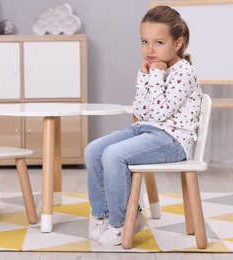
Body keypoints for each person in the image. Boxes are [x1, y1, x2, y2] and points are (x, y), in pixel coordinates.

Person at [85, 5, 203, 246]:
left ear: (177, 44)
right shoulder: (152, 68)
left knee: (114, 156)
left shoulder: (184, 73)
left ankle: (123, 222)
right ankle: (104, 215)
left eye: (158, 43)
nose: (149, 50)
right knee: (93, 150)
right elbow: (141, 111)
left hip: (172, 141)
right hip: (146, 130)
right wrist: (144, 78)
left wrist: (156, 77)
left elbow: (159, 114)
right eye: (144, 41)